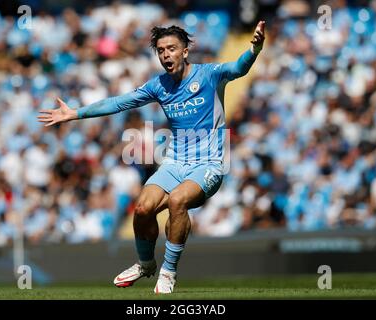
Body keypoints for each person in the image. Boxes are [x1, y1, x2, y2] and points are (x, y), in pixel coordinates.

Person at [38, 21, 265, 293]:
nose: (166, 55)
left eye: (171, 48)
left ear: (185, 51)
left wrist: (254, 49)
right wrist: (76, 113)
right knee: (143, 208)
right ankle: (146, 264)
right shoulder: (158, 86)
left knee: (178, 201)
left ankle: (168, 272)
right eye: (160, 50)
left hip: (209, 164)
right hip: (174, 163)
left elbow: (238, 67)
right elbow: (118, 102)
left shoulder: (209, 75)